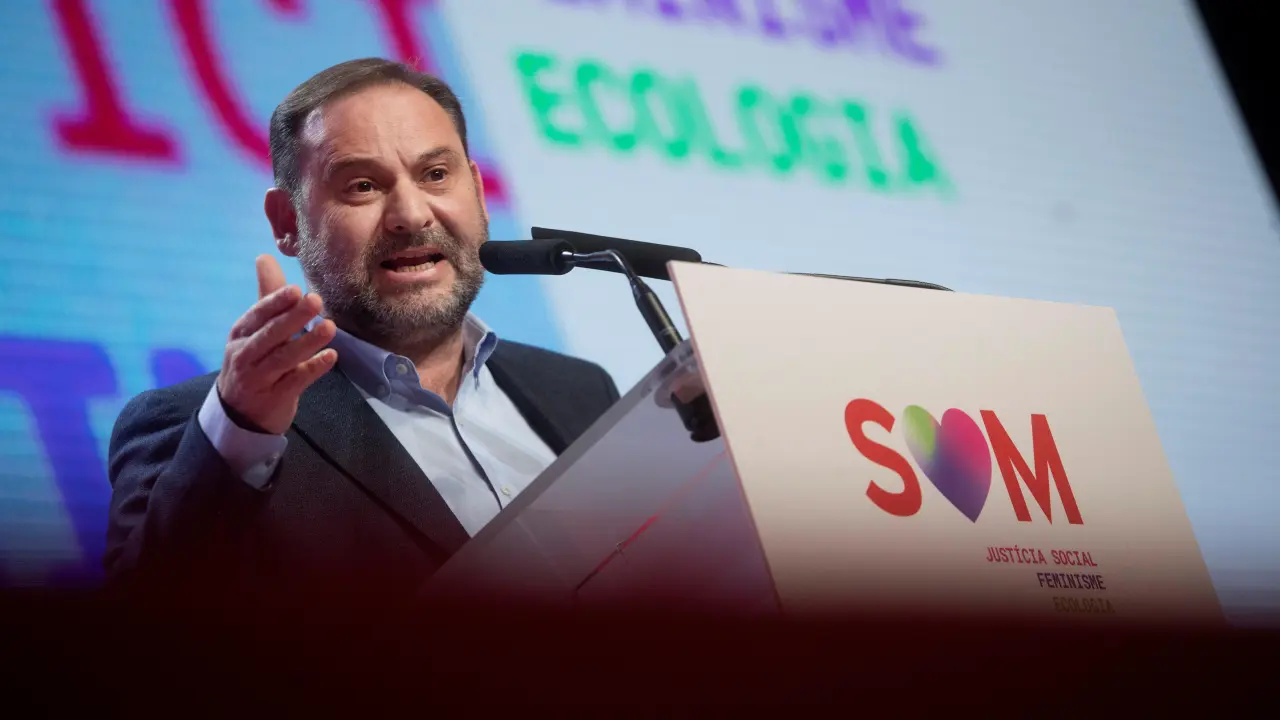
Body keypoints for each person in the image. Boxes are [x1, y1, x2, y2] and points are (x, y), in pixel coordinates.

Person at [104, 58, 620, 611]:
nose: (411, 215)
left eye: (435, 175)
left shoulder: (578, 392)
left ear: (476, 189)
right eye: (363, 186)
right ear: (287, 223)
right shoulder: (207, 430)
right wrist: (239, 432)